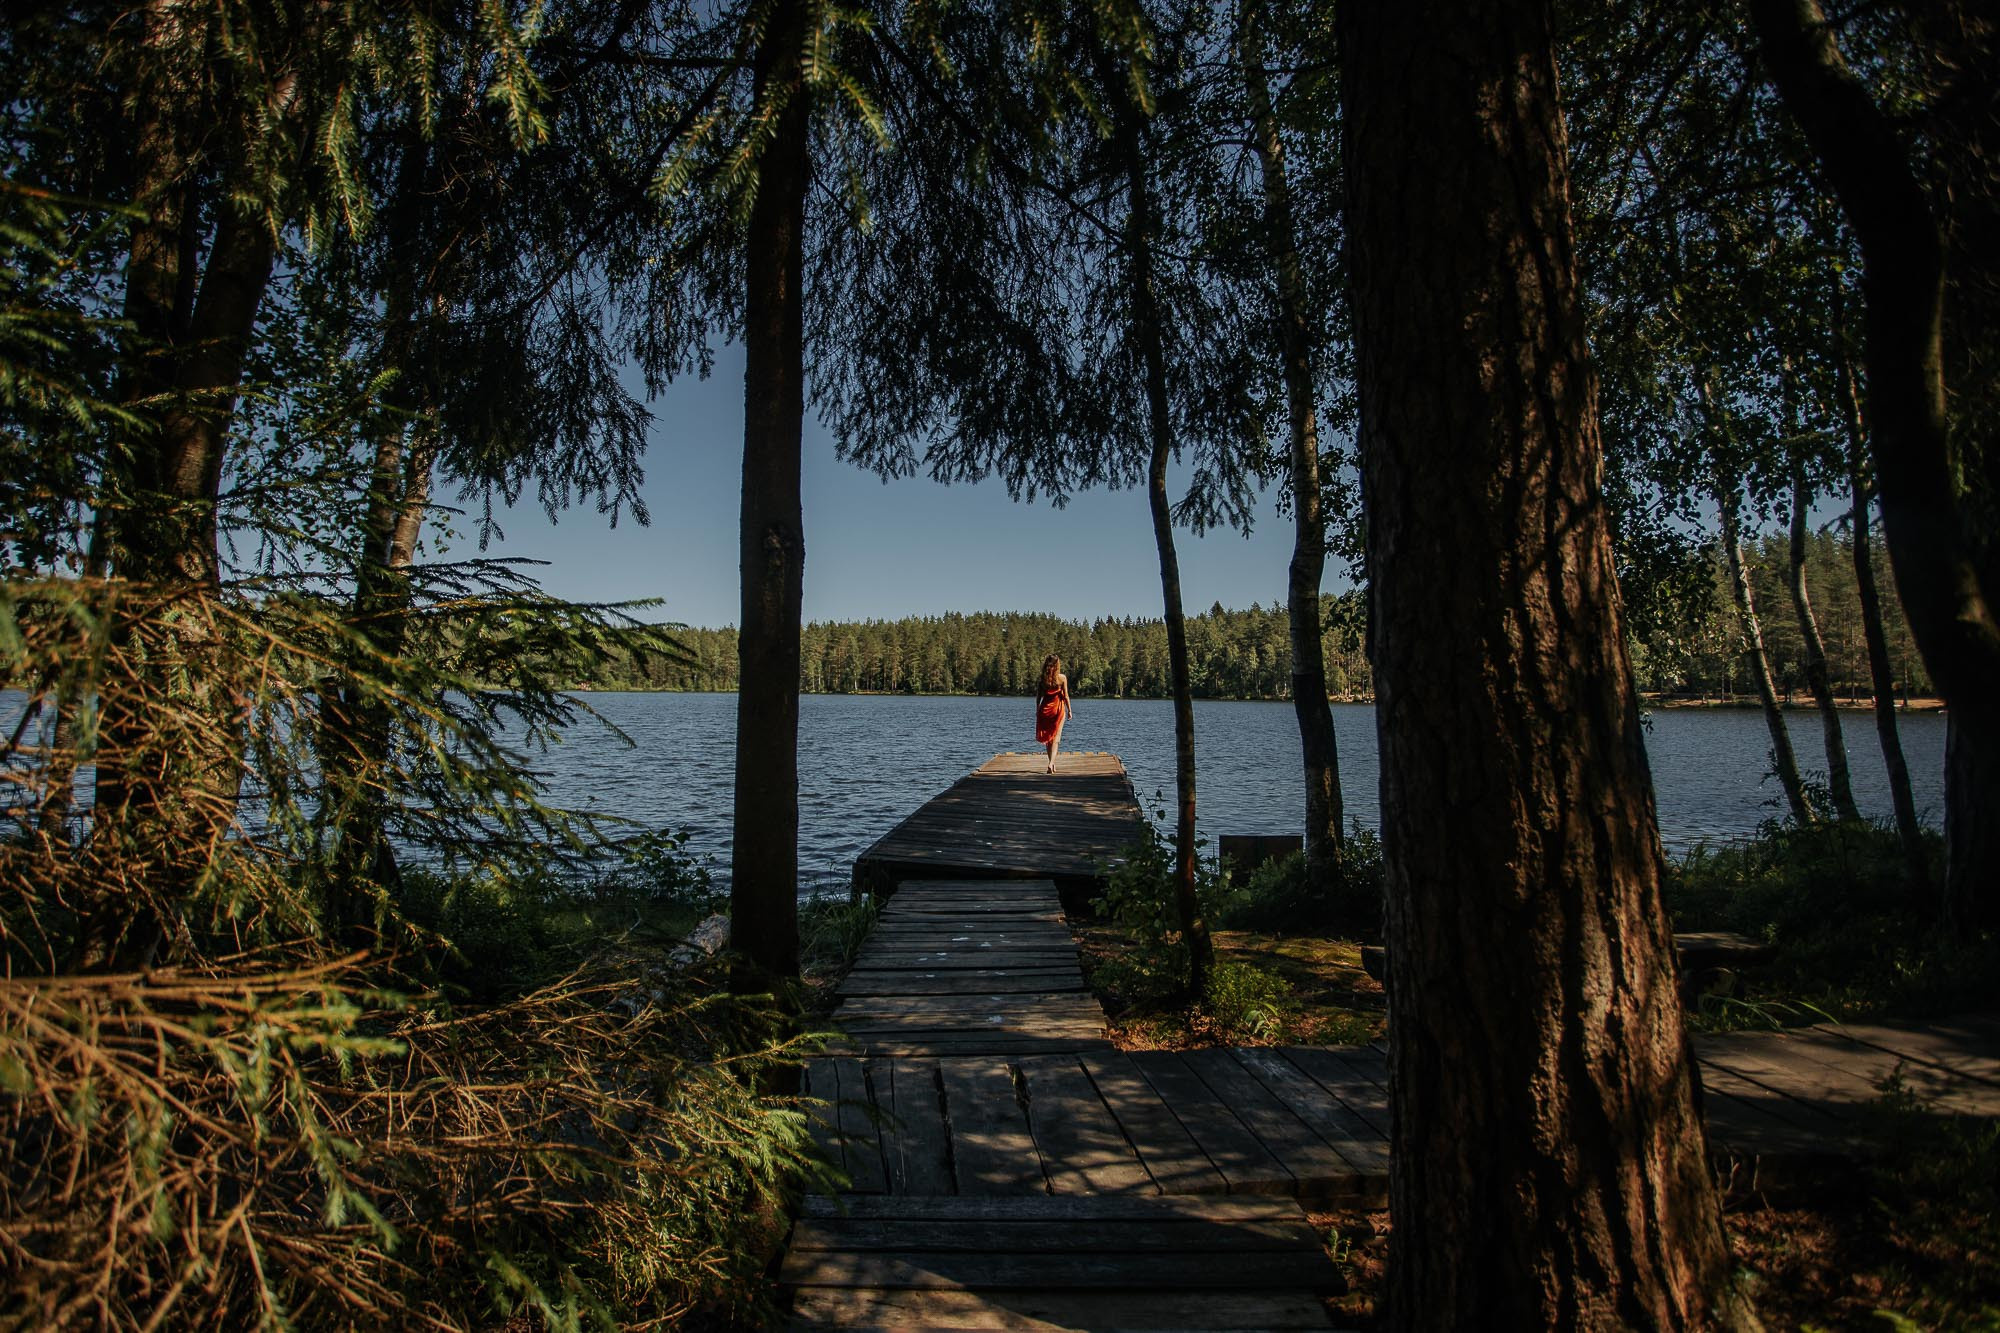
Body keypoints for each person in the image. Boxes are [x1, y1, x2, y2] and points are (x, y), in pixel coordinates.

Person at [1034, 654, 1072, 773]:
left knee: (1048, 738)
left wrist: (1037, 710)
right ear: (1057, 665)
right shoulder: (1062, 678)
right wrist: (1070, 710)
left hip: (1045, 710)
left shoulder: (1042, 679)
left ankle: (1051, 763)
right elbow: (1066, 696)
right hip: (1058, 710)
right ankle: (1051, 763)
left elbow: (1038, 698)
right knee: (1056, 738)